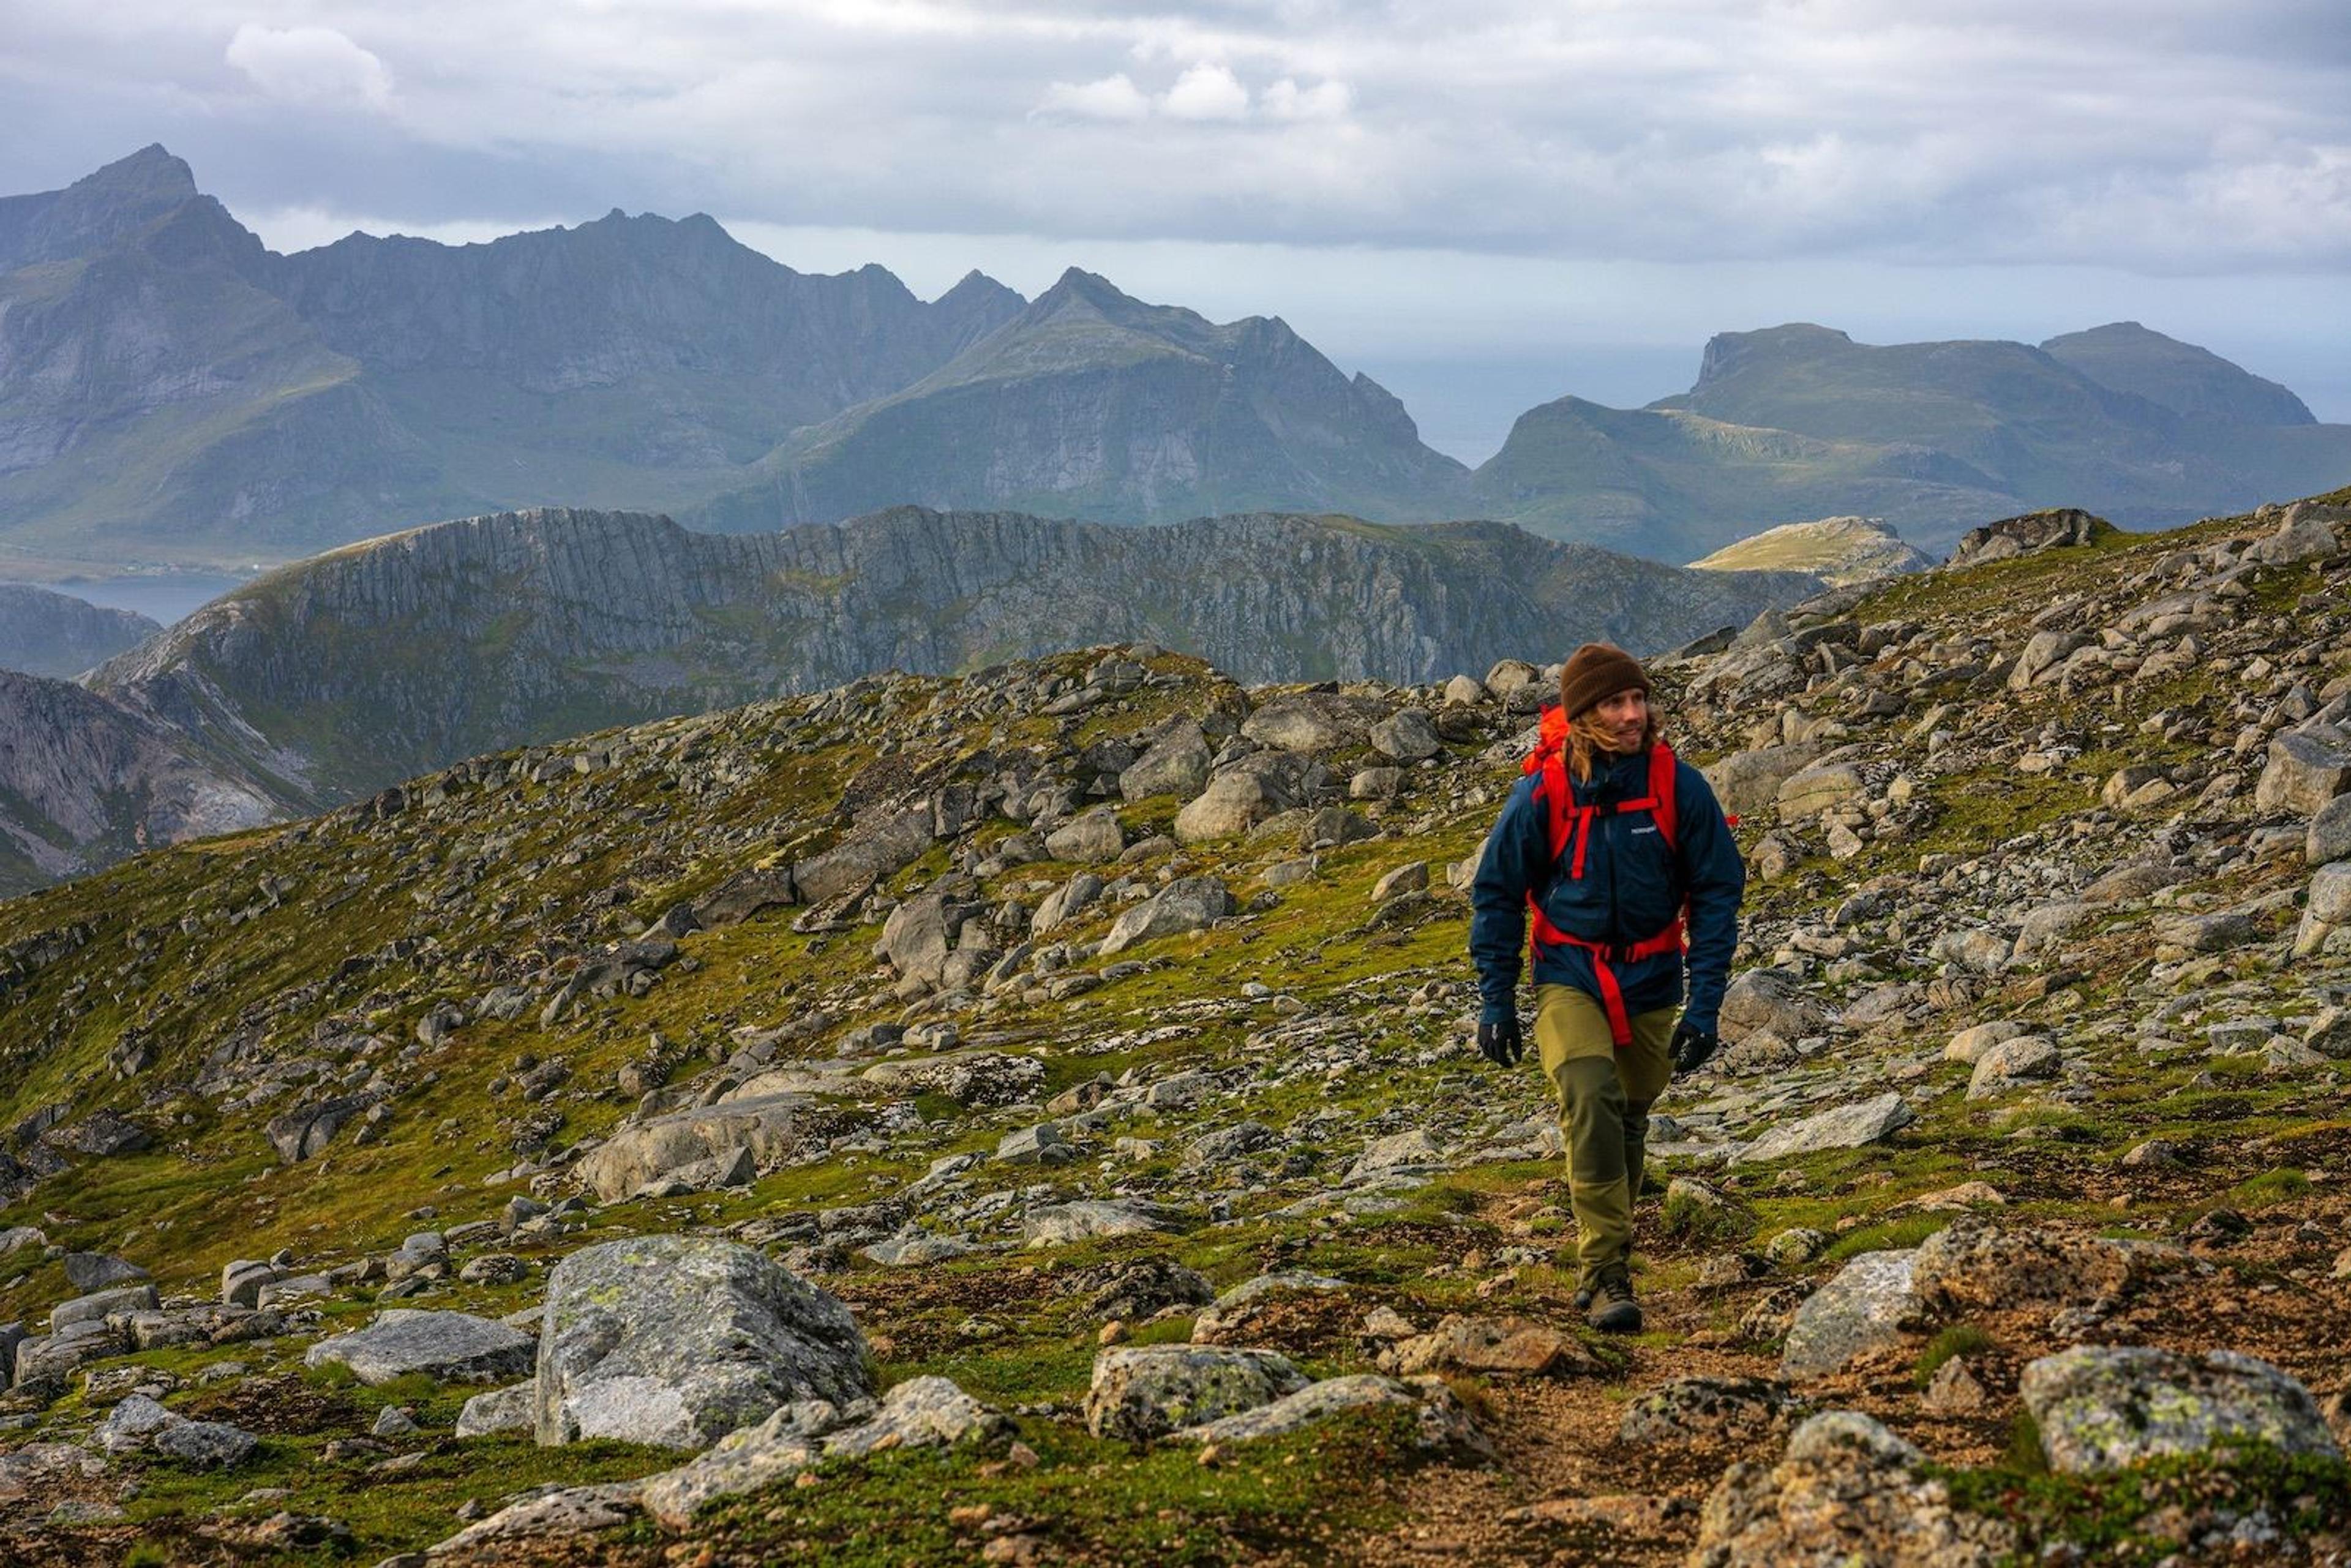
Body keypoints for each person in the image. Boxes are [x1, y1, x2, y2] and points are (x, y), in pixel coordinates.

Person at [1468, 643, 1745, 1332]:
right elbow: (1497, 892)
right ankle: (1605, 1274)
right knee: (1590, 1093)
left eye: (1638, 699)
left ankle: (1609, 1229)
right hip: (1570, 972)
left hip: (1653, 974)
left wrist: (1706, 1004)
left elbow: (1717, 891)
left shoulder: (1678, 785)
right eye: (1615, 703)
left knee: (1627, 1111)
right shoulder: (1545, 791)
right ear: (1584, 714)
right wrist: (1496, 998)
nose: (1632, 714)